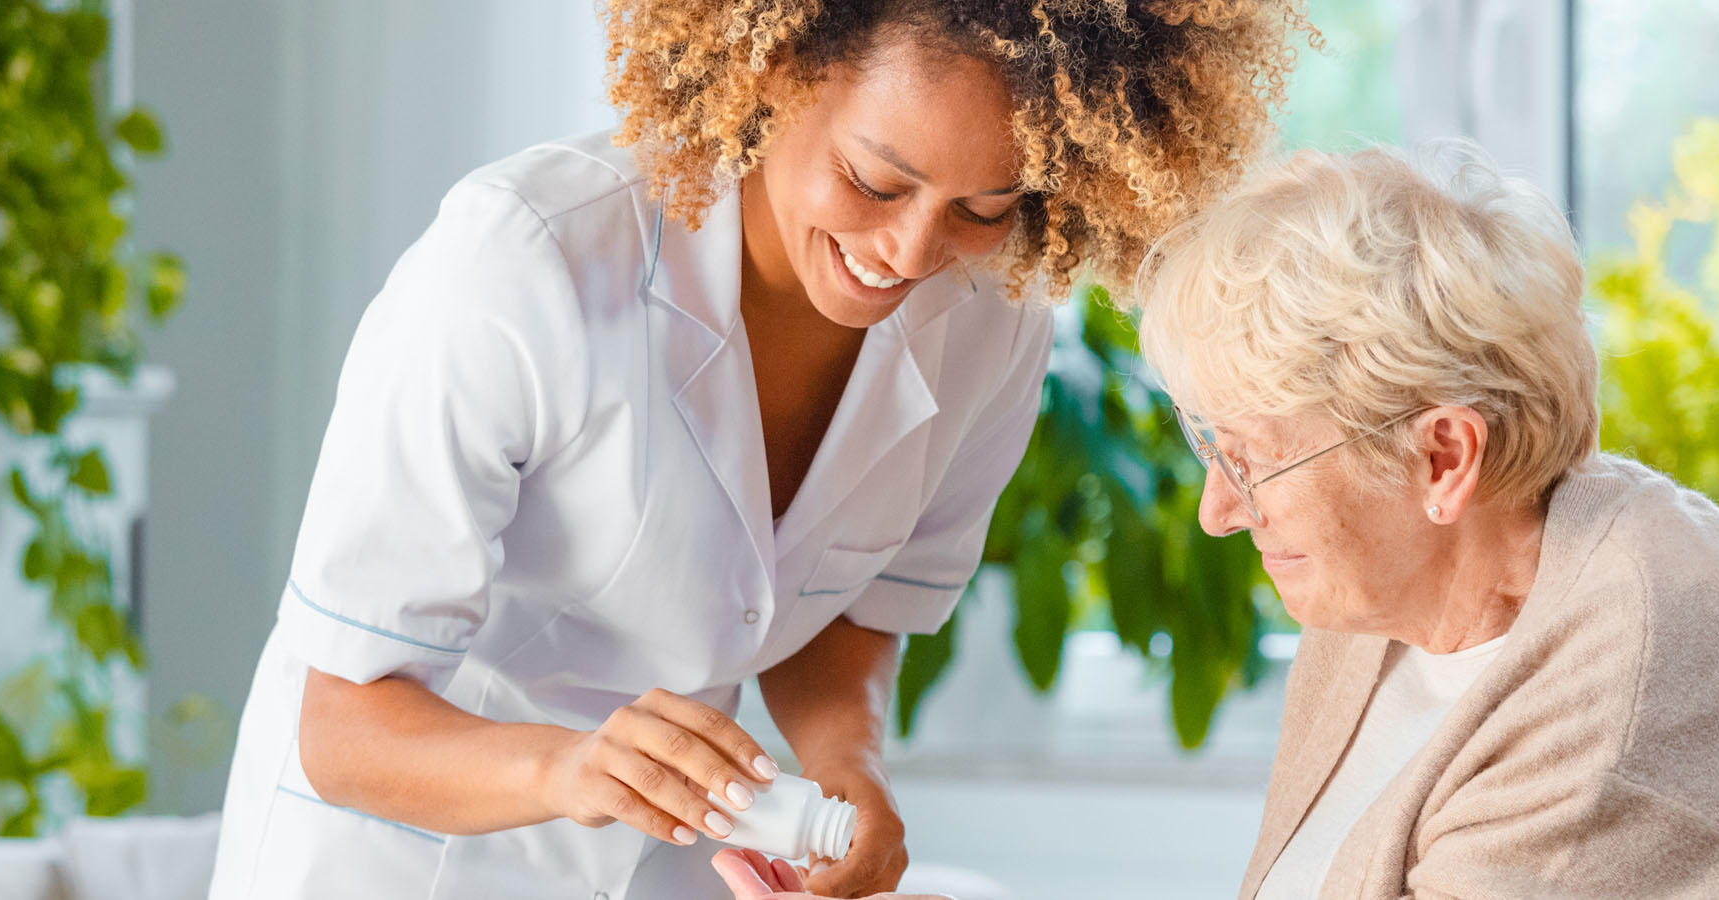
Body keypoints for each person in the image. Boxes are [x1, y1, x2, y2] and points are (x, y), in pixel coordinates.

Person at [204, 1, 1303, 898]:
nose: (912, 251)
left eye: (985, 204)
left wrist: (847, 774)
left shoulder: (993, 321)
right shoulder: (521, 263)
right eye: (876, 181)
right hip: (399, 859)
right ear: (776, 70)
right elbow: (342, 725)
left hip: (670, 866)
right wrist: (571, 764)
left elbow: (845, 614)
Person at [717, 145, 1719, 900]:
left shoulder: (1612, 702)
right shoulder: (1406, 585)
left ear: (1445, 455)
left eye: (1249, 456)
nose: (1219, 510)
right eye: (1210, 443)